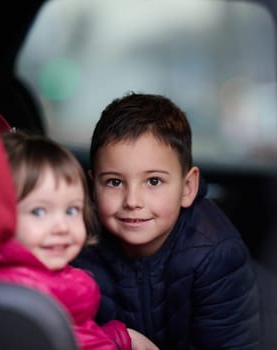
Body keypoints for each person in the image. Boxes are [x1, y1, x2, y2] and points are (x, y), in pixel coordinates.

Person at [72, 92, 261, 349]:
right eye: (114, 182)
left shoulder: (215, 253)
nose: (132, 200)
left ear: (187, 188)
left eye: (153, 181)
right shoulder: (79, 243)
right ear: (94, 186)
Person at [0, 131, 158, 350]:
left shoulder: (38, 279)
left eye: (71, 210)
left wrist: (121, 338)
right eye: (39, 212)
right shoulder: (17, 293)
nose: (62, 227)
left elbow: (77, 339)